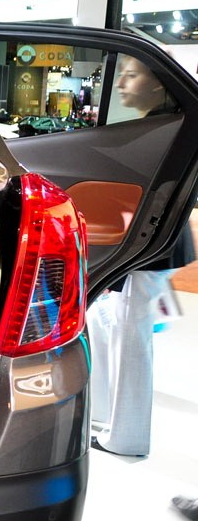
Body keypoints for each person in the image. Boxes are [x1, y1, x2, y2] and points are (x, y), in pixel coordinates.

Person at [88, 55, 193, 457]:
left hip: (149, 248)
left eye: (131, 76)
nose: (120, 83)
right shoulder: (162, 126)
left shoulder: (166, 129)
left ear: (158, 84)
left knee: (130, 337)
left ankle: (127, 436)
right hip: (148, 246)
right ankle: (104, 412)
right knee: (108, 320)